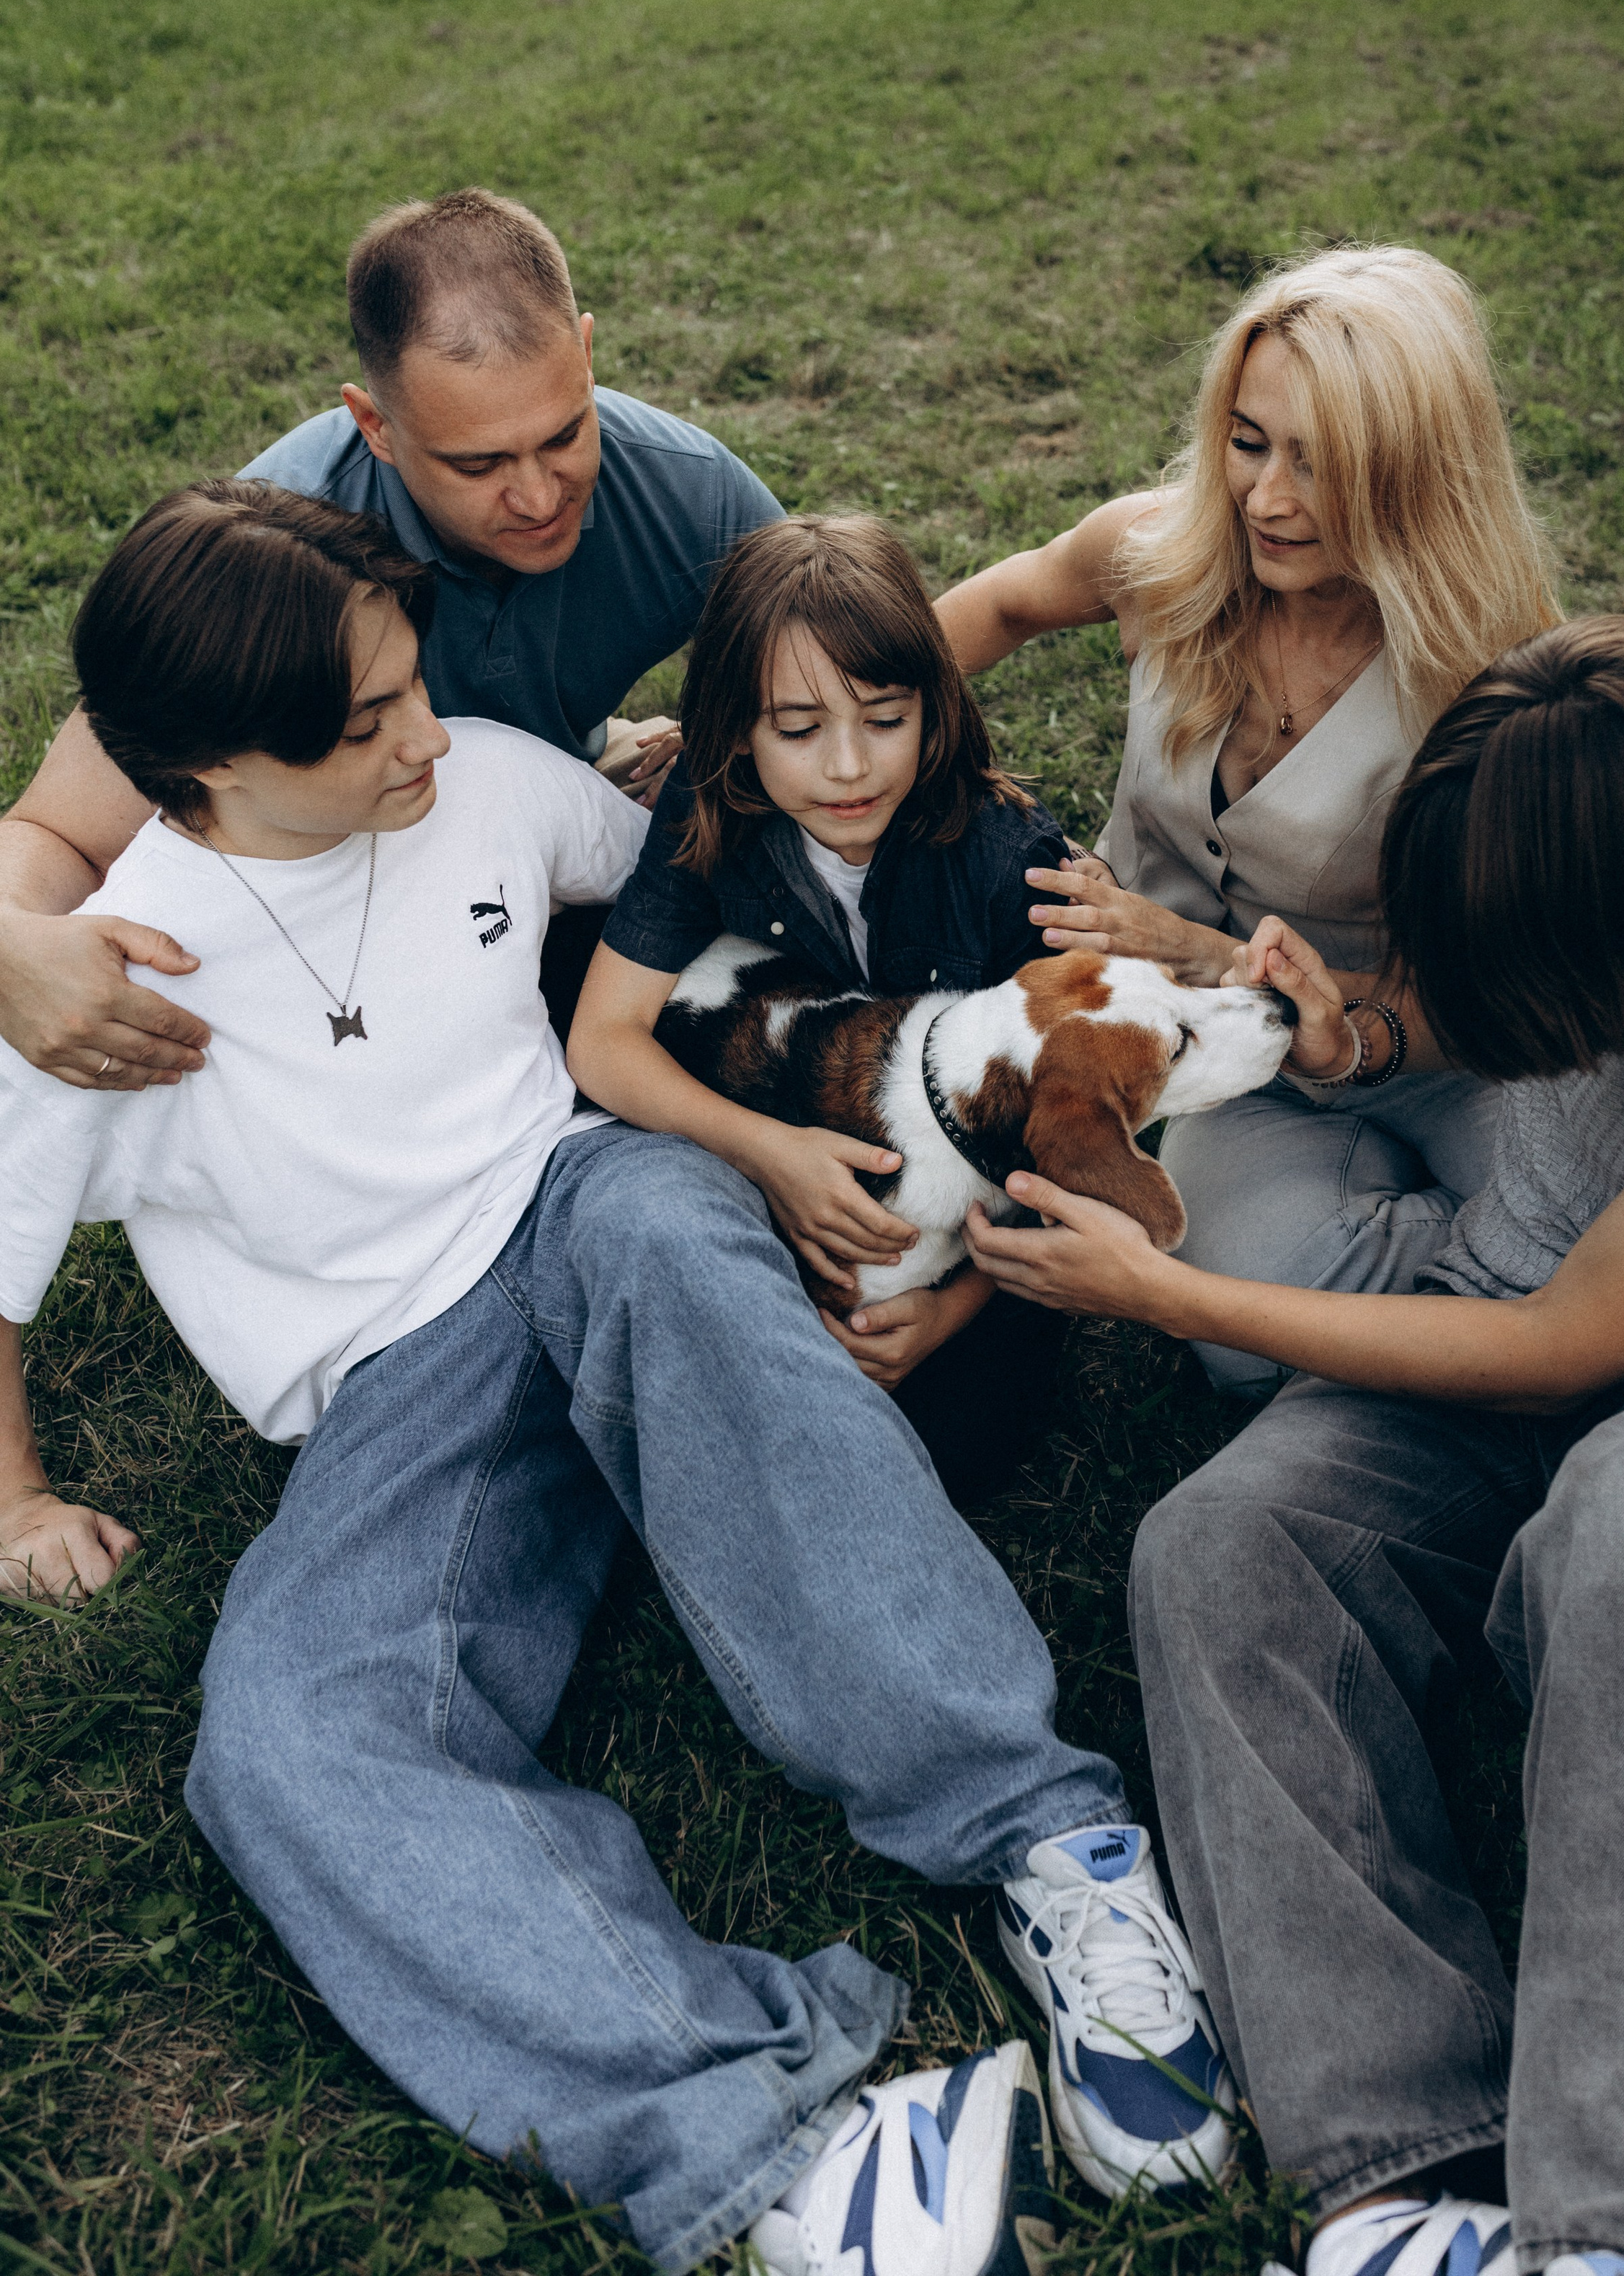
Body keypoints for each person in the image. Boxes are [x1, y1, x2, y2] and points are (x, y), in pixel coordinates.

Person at [0, 480, 1238, 2245]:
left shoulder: (490, 781)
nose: (432, 731)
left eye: (415, 682)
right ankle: (790, 2139)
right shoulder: (103, 986)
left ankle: (1051, 1842)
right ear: (208, 762)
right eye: (370, 724)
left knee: (659, 1225)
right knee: (277, 1739)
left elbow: (704, 853)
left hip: (595, 1198)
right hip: (400, 1383)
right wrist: (17, 1493)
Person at [963, 616, 1624, 2276]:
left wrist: (1168, 1292)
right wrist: (1353, 1034)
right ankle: (1400, 2185)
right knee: (1216, 1544)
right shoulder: (1545, 818)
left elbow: (1551, 1355)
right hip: (1507, 1281)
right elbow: (1451, 1018)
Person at [936, 244, 1558, 1392]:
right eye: (1250, 441)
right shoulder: (1162, 558)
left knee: (1599, 1234)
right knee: (1232, 1339)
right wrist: (834, 705)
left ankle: (1509, 1309)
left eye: (1323, 467)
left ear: (1415, 471)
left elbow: (1481, 995)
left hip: (1434, 1039)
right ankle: (1470, 1298)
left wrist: (1220, 961)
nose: (1267, 499)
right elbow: (1004, 602)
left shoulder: (1490, 678)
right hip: (1223, 1056)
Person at [0, 186, 780, 1093]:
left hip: (538, 853)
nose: (538, 496)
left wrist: (729, 741)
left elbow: (865, 669)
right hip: (327, 916)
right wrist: (11, 944)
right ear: (375, 426)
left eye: (565, 434)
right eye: (476, 465)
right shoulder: (277, 549)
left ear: (587, 354)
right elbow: (60, 826)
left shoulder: (687, 489)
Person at [570, 513, 1082, 1503]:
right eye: (799, 730)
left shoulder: (1011, 860)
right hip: (781, 1165)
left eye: (885, 720)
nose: (848, 768)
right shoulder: (709, 803)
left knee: (961, 1449)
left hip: (976, 1232)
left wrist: (952, 1311)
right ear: (734, 729)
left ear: (936, 707)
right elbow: (602, 1038)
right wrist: (771, 1158)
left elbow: (1062, 1145)